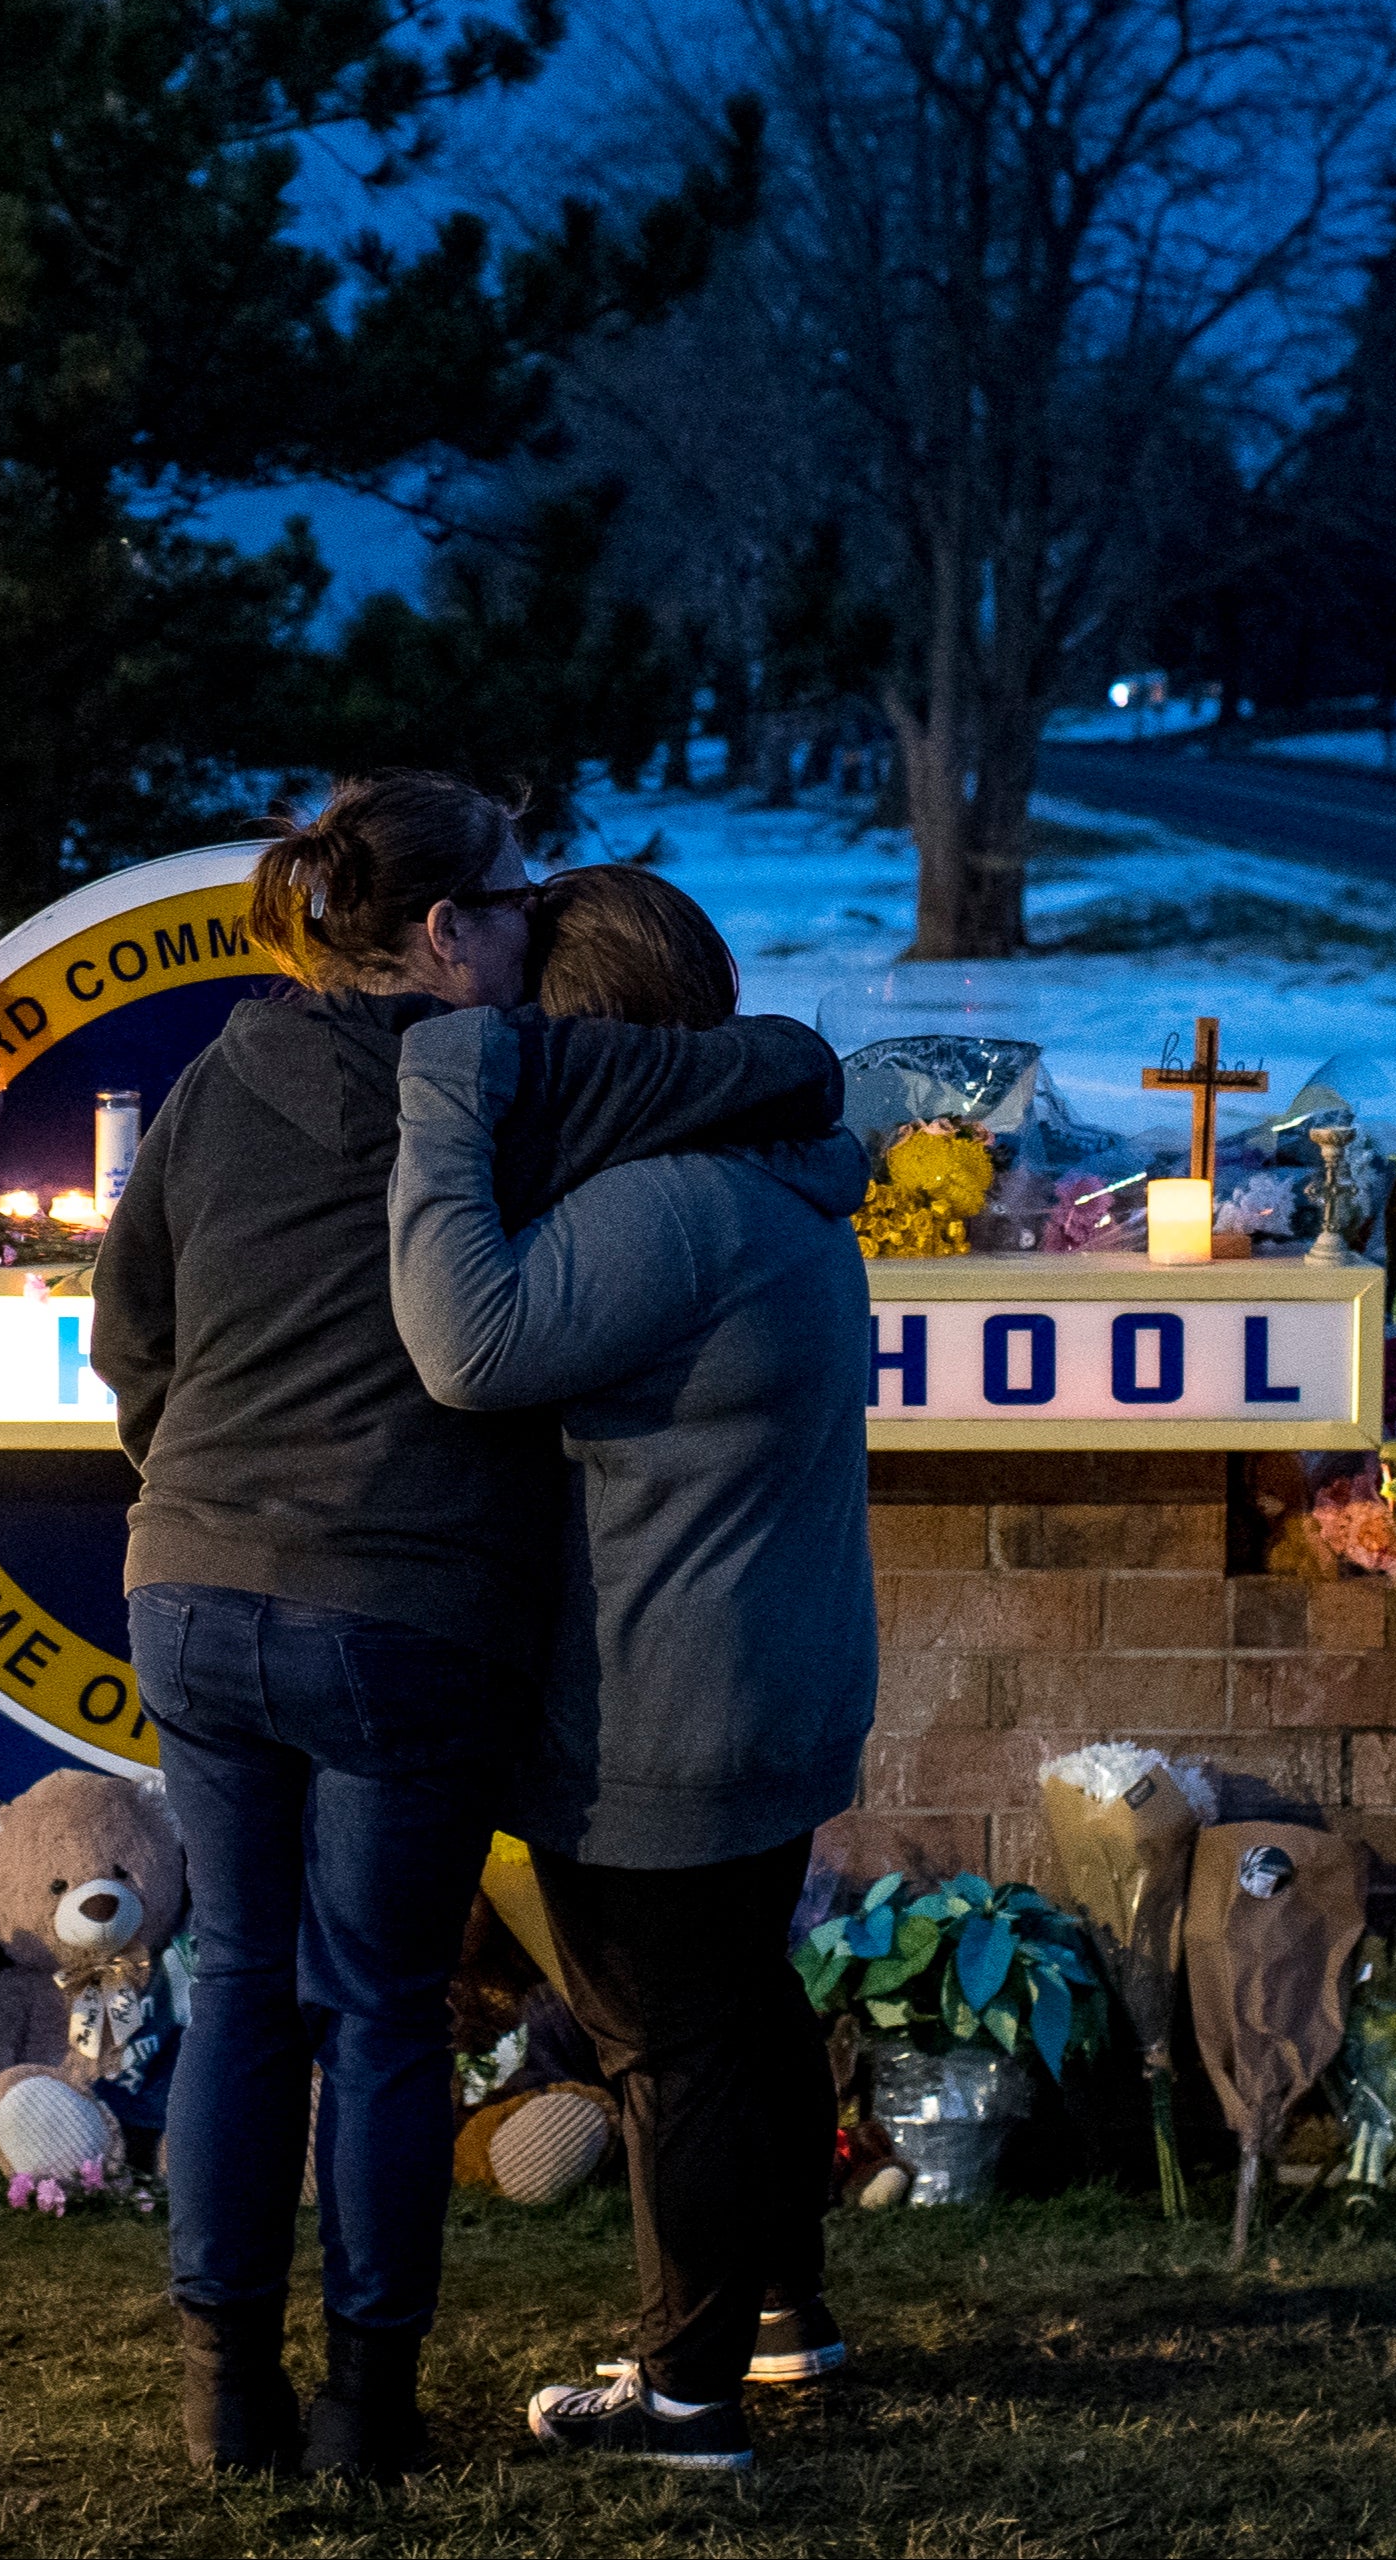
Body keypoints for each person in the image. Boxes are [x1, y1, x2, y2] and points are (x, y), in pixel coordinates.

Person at [91, 775, 845, 2482]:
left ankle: (225, 2395)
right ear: (447, 932)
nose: (537, 921)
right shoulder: (522, 1080)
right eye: (514, 900)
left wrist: (192, 1485)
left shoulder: (228, 1071)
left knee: (236, 1989)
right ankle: (363, 2409)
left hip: (189, 1586)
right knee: (376, 2014)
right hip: (397, 1609)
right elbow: (786, 1063)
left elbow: (130, 1329)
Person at [383, 865, 879, 2476]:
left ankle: (683, 2398)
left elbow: (468, 1344)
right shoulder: (781, 1180)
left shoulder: (666, 1203)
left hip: (665, 1696)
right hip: (776, 1674)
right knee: (741, 2008)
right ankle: (781, 2315)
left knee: (670, 2044)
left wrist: (447, 1106)